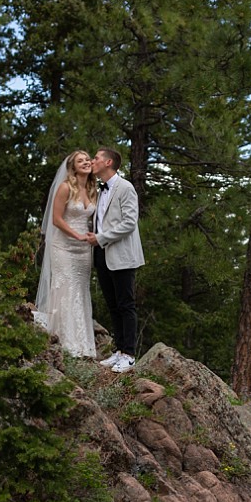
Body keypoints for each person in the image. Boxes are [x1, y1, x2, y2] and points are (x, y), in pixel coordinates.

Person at [34, 149, 97, 359]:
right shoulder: (64, 188)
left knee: (80, 289)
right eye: (81, 160)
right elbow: (56, 220)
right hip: (63, 245)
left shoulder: (92, 189)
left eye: (88, 159)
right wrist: (77, 236)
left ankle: (84, 343)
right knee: (66, 287)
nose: (86, 162)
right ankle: (64, 340)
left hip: (84, 249)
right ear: (73, 167)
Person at [88, 146, 144, 373]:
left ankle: (129, 355)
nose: (93, 161)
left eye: (96, 158)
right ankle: (119, 350)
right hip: (101, 253)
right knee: (112, 305)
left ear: (108, 162)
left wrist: (101, 238)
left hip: (121, 254)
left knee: (125, 304)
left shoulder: (125, 187)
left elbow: (130, 223)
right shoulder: (99, 190)